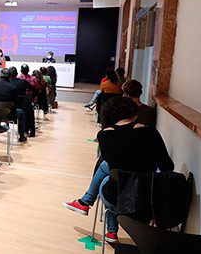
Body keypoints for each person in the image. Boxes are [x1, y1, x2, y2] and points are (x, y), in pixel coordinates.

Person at [63, 97, 173, 243]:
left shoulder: (104, 136)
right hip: (148, 196)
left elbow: (111, 164)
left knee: (109, 176)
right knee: (113, 175)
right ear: (134, 113)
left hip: (116, 195)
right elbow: (167, 166)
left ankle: (108, 227)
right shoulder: (151, 133)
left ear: (109, 114)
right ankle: (87, 204)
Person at [0, 68, 27, 143]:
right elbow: (14, 104)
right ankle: (21, 136)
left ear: (0, 75)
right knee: (21, 112)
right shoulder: (12, 87)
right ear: (10, 77)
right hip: (8, 114)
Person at [9, 66, 36, 137]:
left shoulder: (8, 84)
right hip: (24, 105)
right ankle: (29, 132)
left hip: (10, 108)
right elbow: (35, 89)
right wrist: (31, 99)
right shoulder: (23, 82)